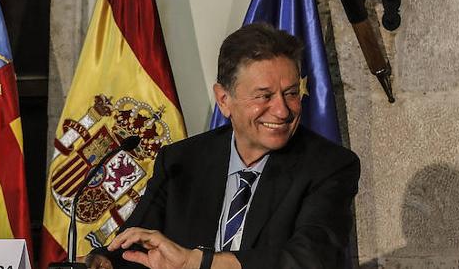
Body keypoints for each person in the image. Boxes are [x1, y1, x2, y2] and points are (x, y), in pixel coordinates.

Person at [87, 23, 360, 269]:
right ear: (224, 99)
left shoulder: (329, 166)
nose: (282, 111)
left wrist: (200, 263)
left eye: (290, 94)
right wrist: (104, 262)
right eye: (264, 96)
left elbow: (309, 259)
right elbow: (138, 242)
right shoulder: (182, 161)